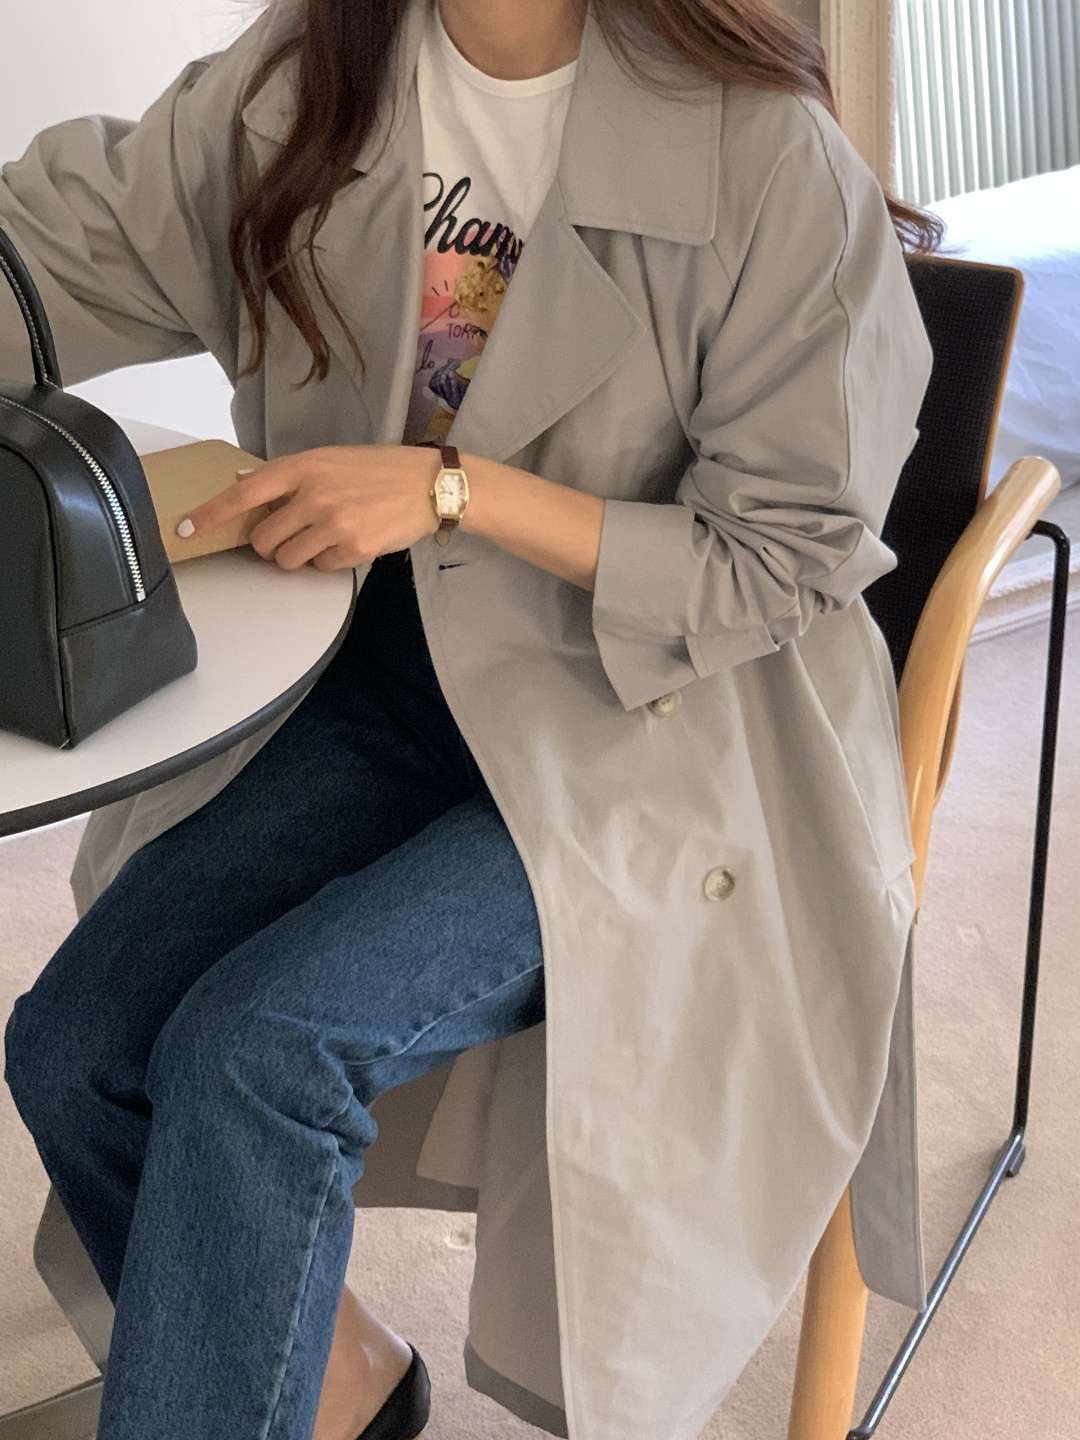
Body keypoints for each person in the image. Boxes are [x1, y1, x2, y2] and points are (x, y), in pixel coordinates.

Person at [0, 1, 943, 1438]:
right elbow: (68, 246)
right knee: (75, 1046)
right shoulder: (317, 67)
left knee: (260, 1052)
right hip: (391, 674)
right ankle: (339, 1383)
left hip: (662, 716)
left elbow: (782, 554)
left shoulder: (764, 151)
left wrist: (453, 491)